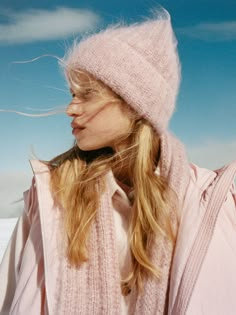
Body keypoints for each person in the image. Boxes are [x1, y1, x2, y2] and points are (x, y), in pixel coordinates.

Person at [0, 8, 236, 315]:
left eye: (86, 95)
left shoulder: (209, 201)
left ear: (135, 104)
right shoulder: (52, 195)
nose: (70, 108)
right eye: (72, 94)